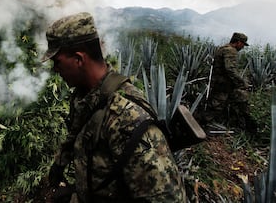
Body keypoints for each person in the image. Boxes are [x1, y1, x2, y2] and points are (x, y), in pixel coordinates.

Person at [43, 12, 186, 202]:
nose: (55, 69)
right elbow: (78, 132)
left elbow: (168, 198)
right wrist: (60, 165)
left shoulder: (126, 117)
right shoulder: (86, 95)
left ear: (79, 59)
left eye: (57, 62)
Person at [206, 32, 254, 129]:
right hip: (223, 84)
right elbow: (230, 70)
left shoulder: (223, 48)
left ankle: (242, 123)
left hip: (219, 83)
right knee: (216, 107)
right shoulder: (231, 51)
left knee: (238, 98)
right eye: (243, 44)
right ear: (238, 42)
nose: (243, 47)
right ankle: (202, 125)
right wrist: (242, 82)